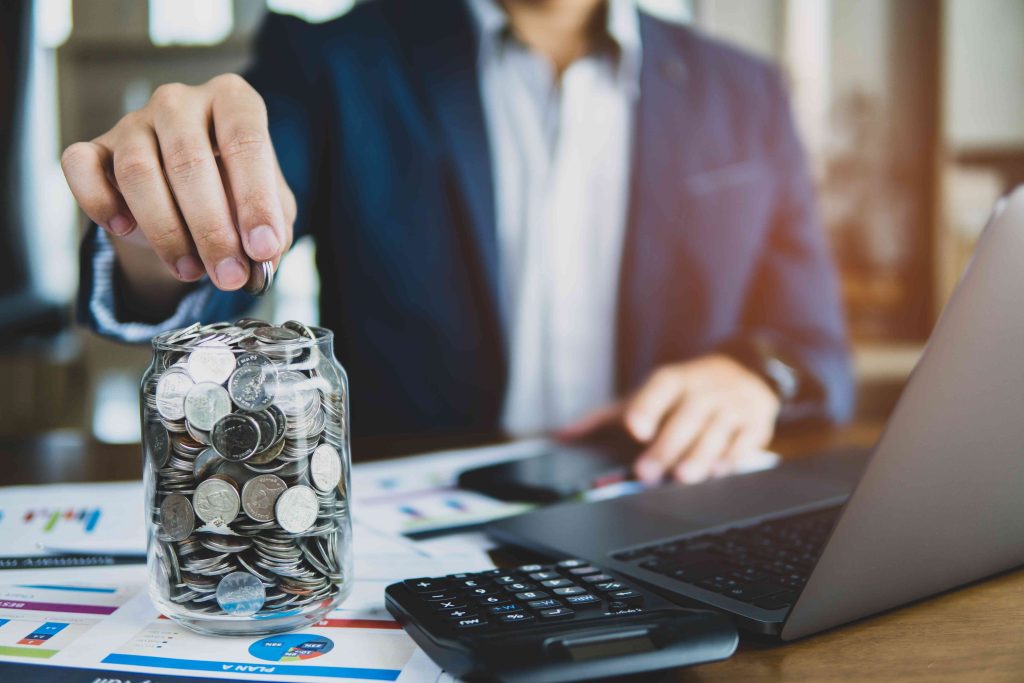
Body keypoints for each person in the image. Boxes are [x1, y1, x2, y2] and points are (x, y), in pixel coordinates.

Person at [64, 0, 853, 484]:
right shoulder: (336, 62)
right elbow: (221, 254)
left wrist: (756, 376)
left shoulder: (745, 90)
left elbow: (813, 344)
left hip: (671, 502)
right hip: (413, 539)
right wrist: (156, 212)